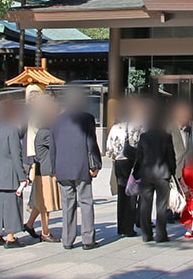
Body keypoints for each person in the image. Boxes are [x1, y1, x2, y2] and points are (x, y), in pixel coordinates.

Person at [50, 91, 102, 250]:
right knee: (86, 202)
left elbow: (52, 146)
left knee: (67, 204)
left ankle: (67, 239)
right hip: (81, 166)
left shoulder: (56, 121)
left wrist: (54, 169)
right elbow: (91, 142)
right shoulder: (87, 118)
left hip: (62, 168)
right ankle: (87, 239)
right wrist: (96, 164)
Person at [0, 100, 28, 249]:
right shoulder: (12, 130)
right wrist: (22, 176)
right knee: (11, 205)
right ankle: (10, 236)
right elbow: (16, 156)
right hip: (9, 172)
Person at [134, 102, 176, 243]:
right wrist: (173, 171)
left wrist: (136, 171)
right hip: (162, 174)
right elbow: (171, 156)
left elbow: (139, 157)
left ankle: (146, 234)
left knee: (145, 205)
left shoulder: (144, 137)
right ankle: (161, 234)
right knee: (161, 206)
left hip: (146, 173)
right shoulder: (166, 137)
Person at [23, 92, 61, 243]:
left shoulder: (43, 132)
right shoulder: (46, 134)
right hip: (46, 172)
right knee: (46, 204)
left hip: (42, 170)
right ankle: (45, 232)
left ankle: (30, 223)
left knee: (40, 202)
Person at [105, 99, 143, 238]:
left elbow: (108, 149)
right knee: (132, 193)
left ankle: (121, 226)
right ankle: (129, 226)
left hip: (118, 163)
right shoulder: (136, 126)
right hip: (131, 163)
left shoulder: (115, 127)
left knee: (122, 194)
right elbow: (141, 145)